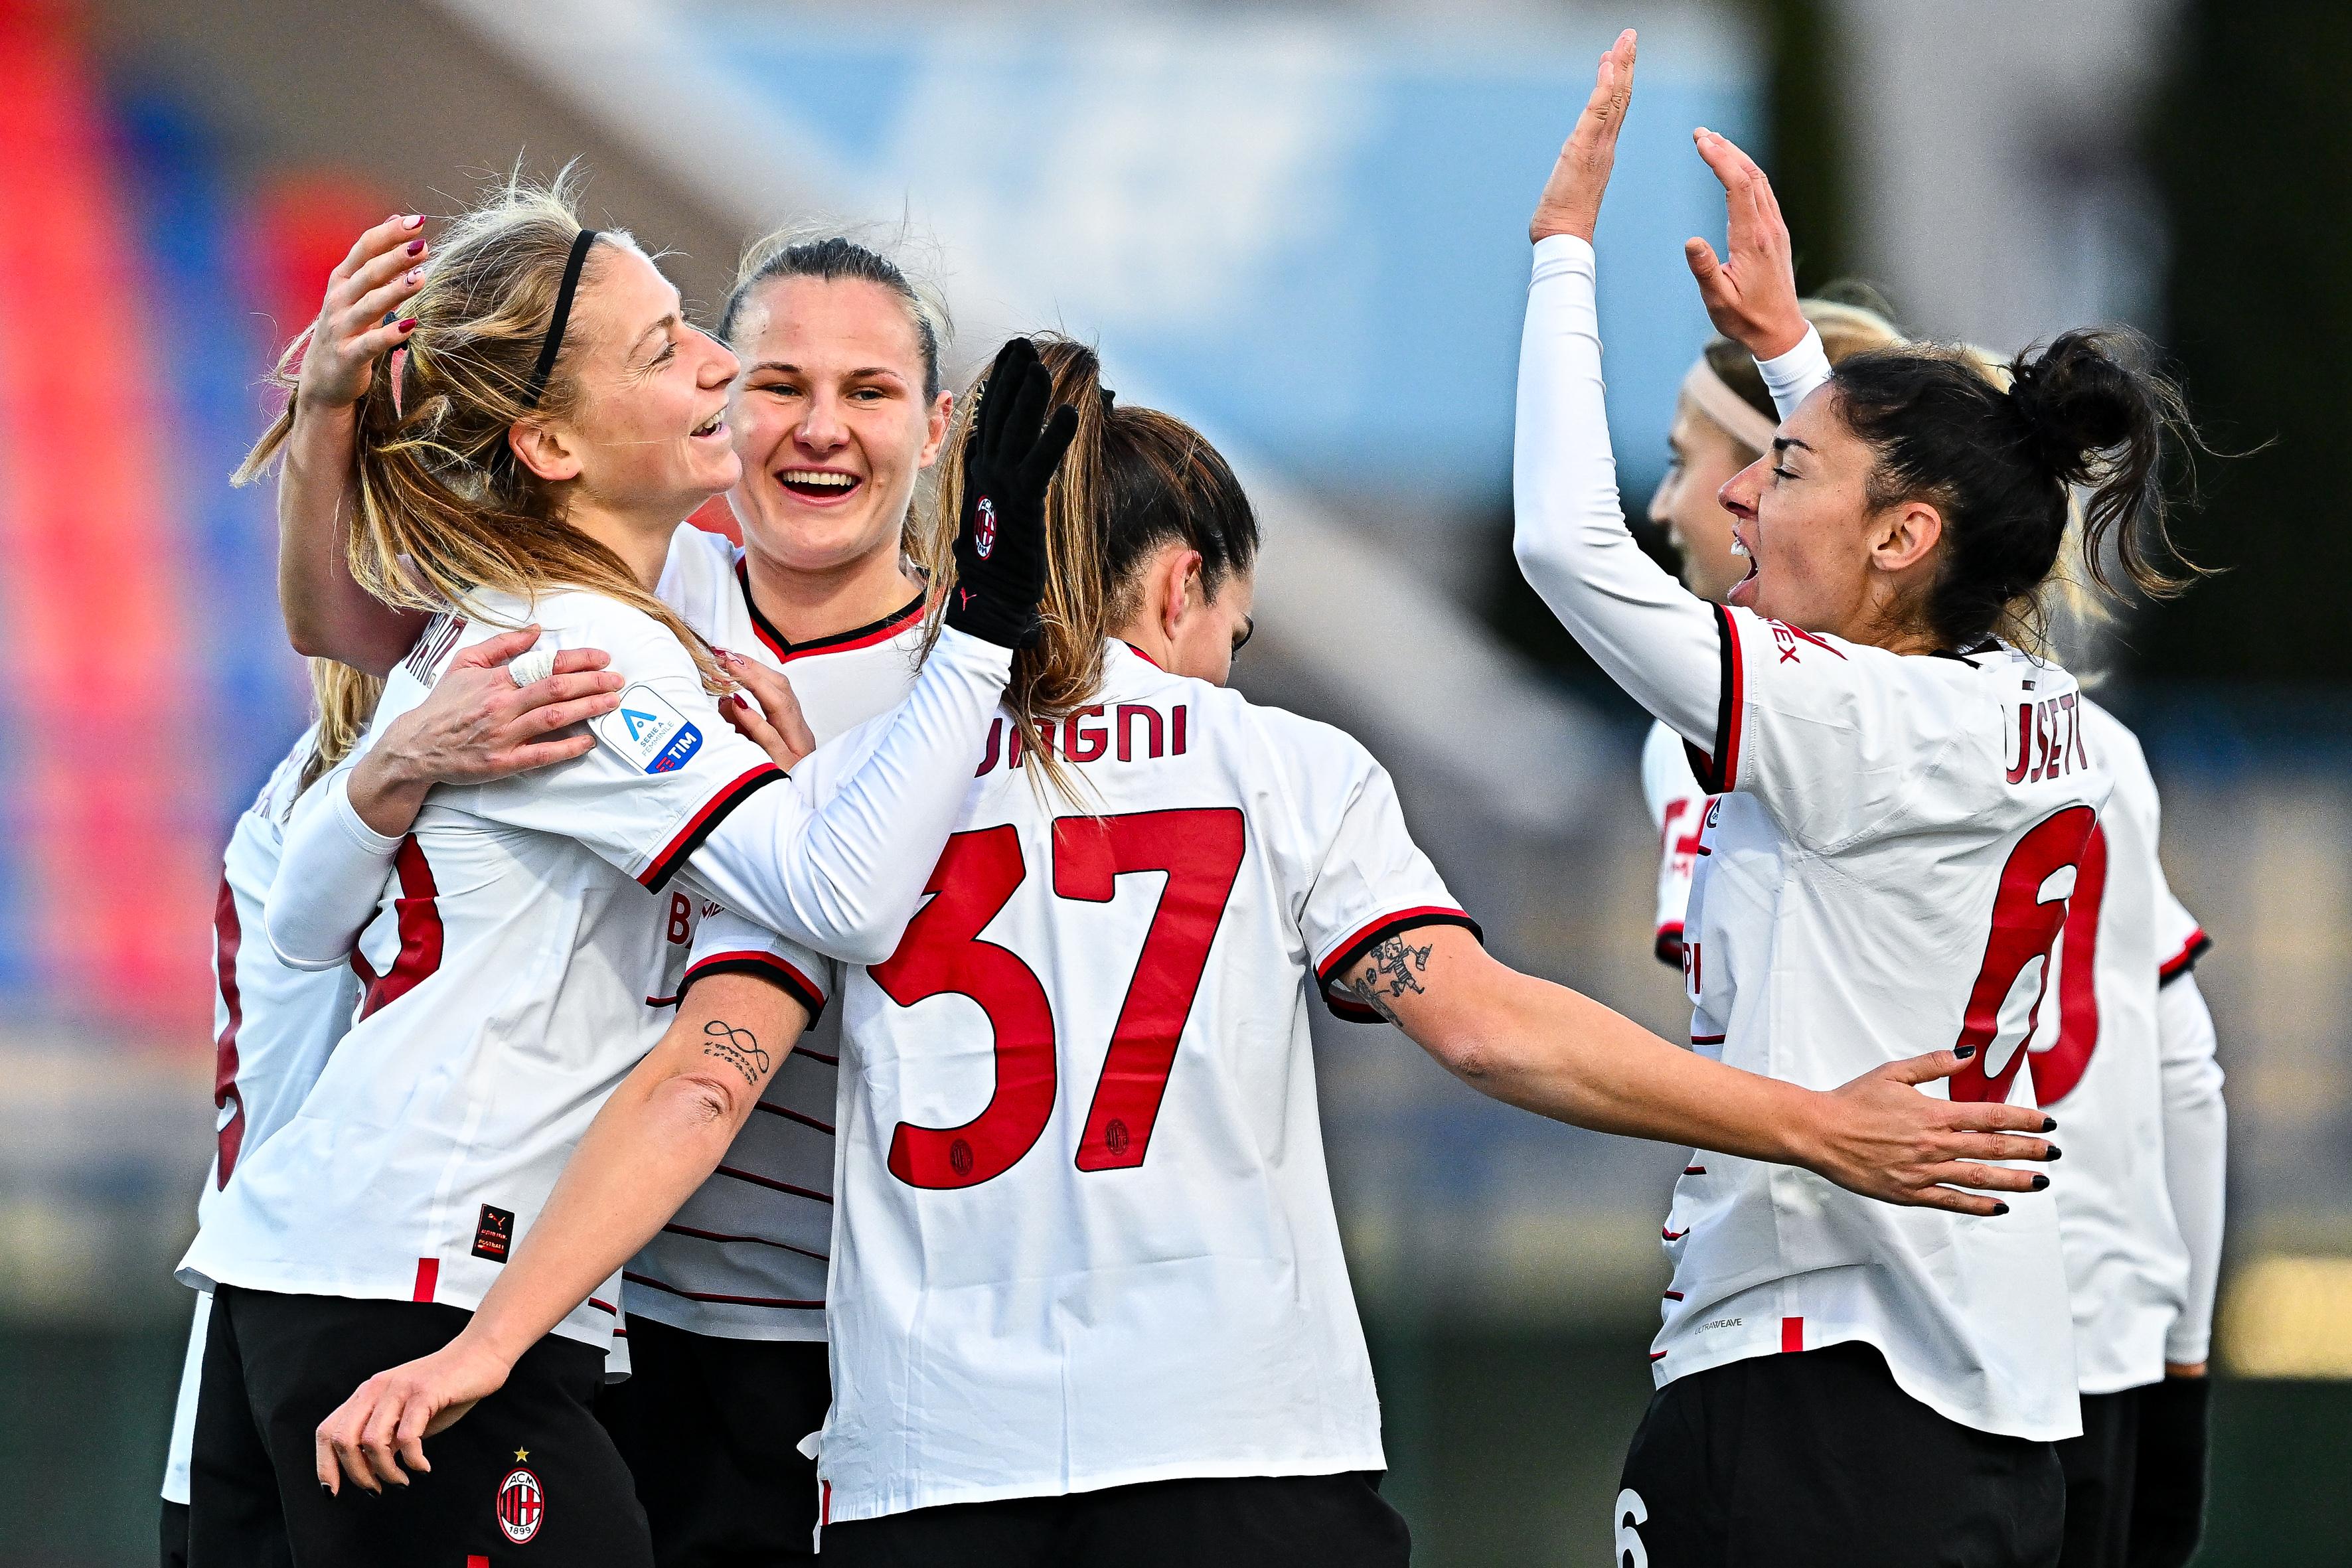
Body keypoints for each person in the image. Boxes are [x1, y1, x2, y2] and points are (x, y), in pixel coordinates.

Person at [308, 337, 2060, 1568]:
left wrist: (490, 1339)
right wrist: (1810, 1121)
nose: (1233, 637)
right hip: (1244, 1452)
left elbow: (703, 1079)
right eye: (1232, 603)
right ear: (1172, 588)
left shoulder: (856, 804)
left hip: (935, 1476)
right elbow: (1483, 1028)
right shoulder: (1276, 767)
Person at [179, 177, 1073, 1568]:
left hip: (453, 1274)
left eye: (868, 390)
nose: (769, 398)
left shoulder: (574, 601)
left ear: (938, 428)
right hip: (464, 1273)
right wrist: (982, 625)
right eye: (711, 356)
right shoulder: (613, 636)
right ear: (549, 442)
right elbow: (831, 893)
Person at [1514, 32, 2202, 1567]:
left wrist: (1562, 254)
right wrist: (1792, 358)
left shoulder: (1852, 725)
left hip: (1827, 1377)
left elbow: (1564, 549)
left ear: (1899, 537)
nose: (1751, 490)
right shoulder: (2024, 704)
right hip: (1992, 1384)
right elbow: (1910, 515)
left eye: (1786, 465)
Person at [2024, 695, 2226, 1568]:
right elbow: (2186, 1074)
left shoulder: (1806, 723)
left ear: (1900, 545)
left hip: (1870, 1339)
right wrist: (2183, 1372)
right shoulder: (2097, 740)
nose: (1735, 545)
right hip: (2092, 1334)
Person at [1640, 299, 1904, 967]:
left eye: (1680, 463)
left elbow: (1741, 1023)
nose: (1661, 506)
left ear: (1768, 478)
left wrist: (1564, 249)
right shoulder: (2061, 722)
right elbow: (2178, 1055)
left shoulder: (1728, 714)